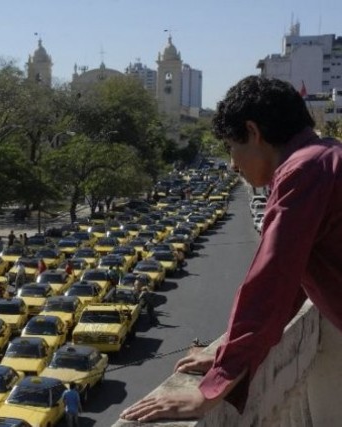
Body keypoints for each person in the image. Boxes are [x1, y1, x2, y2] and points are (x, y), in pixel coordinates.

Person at [121, 76, 342, 422]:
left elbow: (270, 284)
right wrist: (229, 355)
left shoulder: (303, 171)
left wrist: (212, 389)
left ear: (253, 132)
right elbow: (294, 285)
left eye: (229, 147)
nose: (233, 165)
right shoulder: (328, 155)